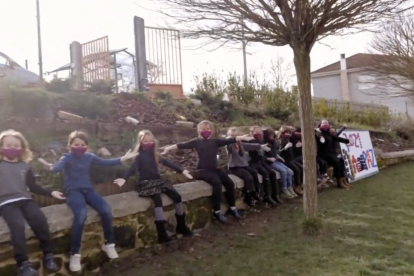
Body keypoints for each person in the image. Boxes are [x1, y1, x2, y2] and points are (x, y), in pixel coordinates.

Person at [38, 131, 138, 272]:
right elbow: (57, 167)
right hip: (73, 191)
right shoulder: (66, 157)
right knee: (81, 214)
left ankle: (109, 244)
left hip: (88, 189)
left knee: (106, 210)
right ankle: (75, 253)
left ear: (87, 146)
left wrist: (124, 158)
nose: (79, 147)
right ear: (69, 146)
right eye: (76, 144)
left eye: (82, 144)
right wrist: (50, 167)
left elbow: (106, 163)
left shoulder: (89, 157)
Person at [161, 120, 254, 223]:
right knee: (217, 184)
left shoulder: (215, 141)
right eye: (203, 129)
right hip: (203, 170)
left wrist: (243, 138)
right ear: (199, 130)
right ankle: (217, 211)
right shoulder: (196, 141)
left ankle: (232, 208)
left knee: (229, 183)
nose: (206, 131)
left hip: (215, 168)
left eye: (208, 129)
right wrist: (167, 148)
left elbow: (230, 140)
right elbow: (181, 145)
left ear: (211, 130)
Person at [0, 130, 63, 276]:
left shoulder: (25, 166)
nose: (12, 148)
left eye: (16, 146)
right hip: (6, 203)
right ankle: (23, 264)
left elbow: (33, 186)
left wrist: (50, 192)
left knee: (40, 221)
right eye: (8, 145)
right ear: (1, 146)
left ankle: (48, 255)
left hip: (26, 200)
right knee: (17, 226)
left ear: (22, 148)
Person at [114, 130, 193, 243]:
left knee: (177, 197)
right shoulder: (139, 156)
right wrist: (124, 179)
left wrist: (182, 170)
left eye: (151, 141)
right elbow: (132, 168)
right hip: (146, 183)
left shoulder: (155, 155)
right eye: (145, 141)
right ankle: (161, 233)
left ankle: (181, 225)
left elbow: (167, 163)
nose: (149, 143)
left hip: (158, 181)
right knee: (157, 200)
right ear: (140, 142)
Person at [226, 127, 269, 206]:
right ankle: (249, 196)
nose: (235, 137)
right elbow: (227, 140)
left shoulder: (241, 144)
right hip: (234, 167)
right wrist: (239, 138)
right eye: (233, 135)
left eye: (236, 135)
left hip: (243, 165)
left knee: (254, 172)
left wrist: (260, 146)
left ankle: (256, 191)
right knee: (248, 176)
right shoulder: (230, 145)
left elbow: (250, 146)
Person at [247, 126, 283, 205]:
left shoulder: (261, 141)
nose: (258, 133)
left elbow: (267, 153)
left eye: (260, 132)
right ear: (251, 133)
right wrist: (260, 149)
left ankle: (275, 194)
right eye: (256, 132)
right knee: (265, 174)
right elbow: (253, 154)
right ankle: (266, 196)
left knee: (272, 173)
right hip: (253, 162)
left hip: (261, 161)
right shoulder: (250, 141)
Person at [262, 128, 297, 198]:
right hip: (269, 162)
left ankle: (289, 187)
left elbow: (275, 152)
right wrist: (268, 158)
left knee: (288, 171)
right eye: (270, 136)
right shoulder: (263, 143)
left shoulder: (273, 142)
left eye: (272, 135)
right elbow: (262, 155)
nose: (272, 137)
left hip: (276, 160)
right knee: (283, 171)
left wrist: (278, 156)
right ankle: (284, 188)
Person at [316, 120, 350, 189]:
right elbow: (317, 136)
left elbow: (336, 138)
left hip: (330, 153)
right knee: (336, 162)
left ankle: (343, 180)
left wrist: (347, 141)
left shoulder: (329, 134)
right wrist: (318, 133)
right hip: (323, 154)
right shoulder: (318, 134)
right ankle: (339, 182)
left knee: (341, 160)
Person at [277, 126, 304, 195]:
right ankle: (296, 186)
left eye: (289, 133)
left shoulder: (288, 139)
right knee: (297, 170)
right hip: (285, 160)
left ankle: (300, 184)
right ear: (282, 133)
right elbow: (278, 153)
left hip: (291, 159)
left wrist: (296, 147)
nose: (288, 134)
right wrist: (284, 148)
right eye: (286, 133)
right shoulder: (280, 140)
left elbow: (292, 150)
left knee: (302, 168)